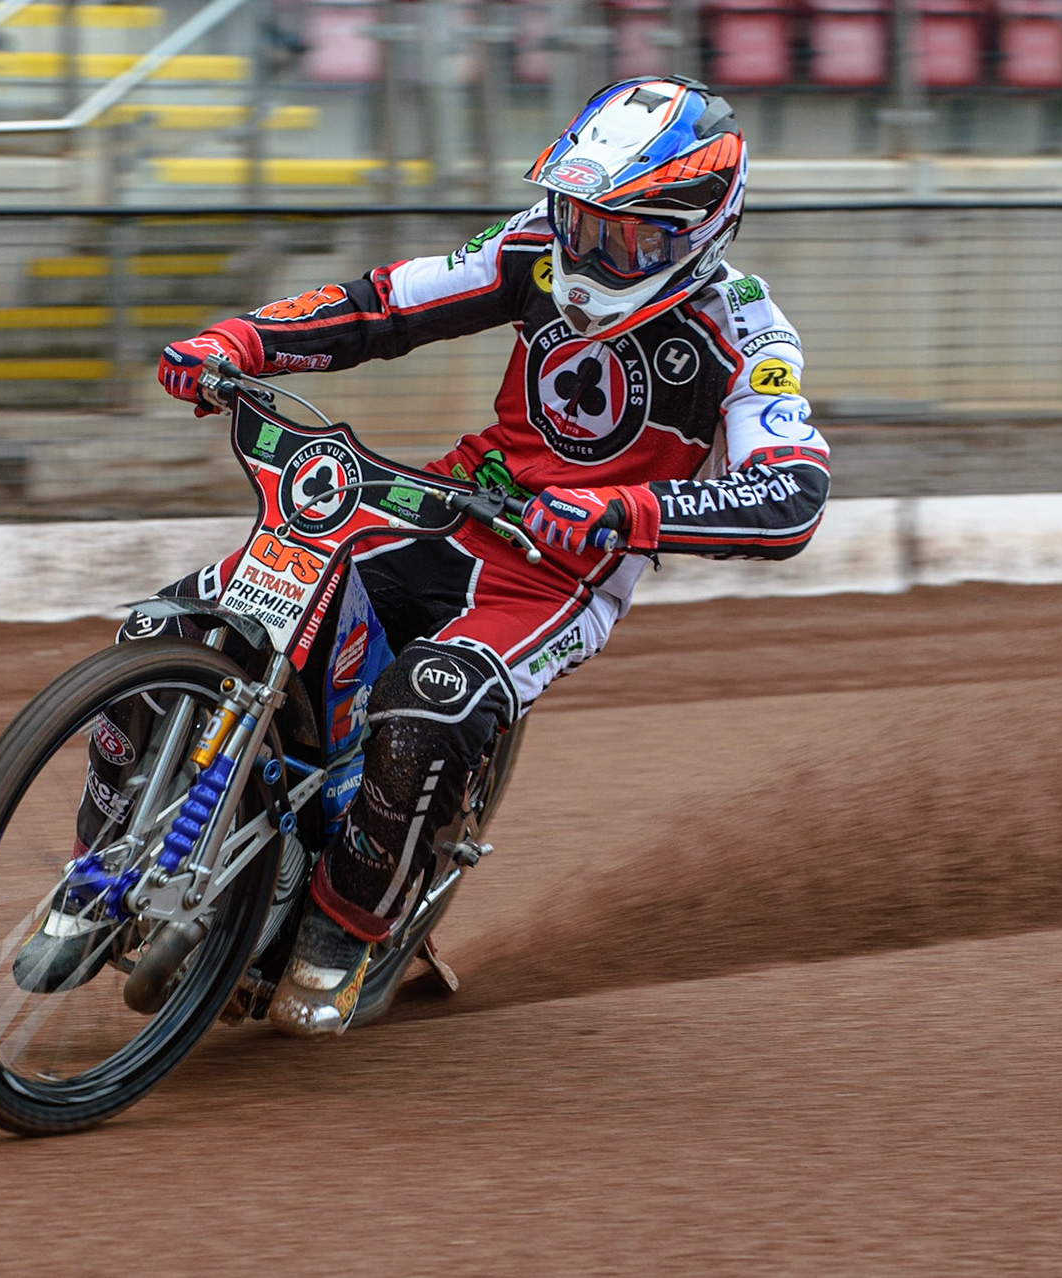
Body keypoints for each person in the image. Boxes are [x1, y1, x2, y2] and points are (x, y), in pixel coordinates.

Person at [128, 76, 829, 1037]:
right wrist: (243, 340)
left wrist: (625, 510)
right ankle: (111, 862)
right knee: (178, 626)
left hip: (561, 572)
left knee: (429, 704)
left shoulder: (747, 331)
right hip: (455, 500)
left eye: (622, 234)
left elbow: (788, 496)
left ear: (697, 227)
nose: (586, 251)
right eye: (578, 219)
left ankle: (343, 938)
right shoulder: (531, 248)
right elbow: (386, 305)